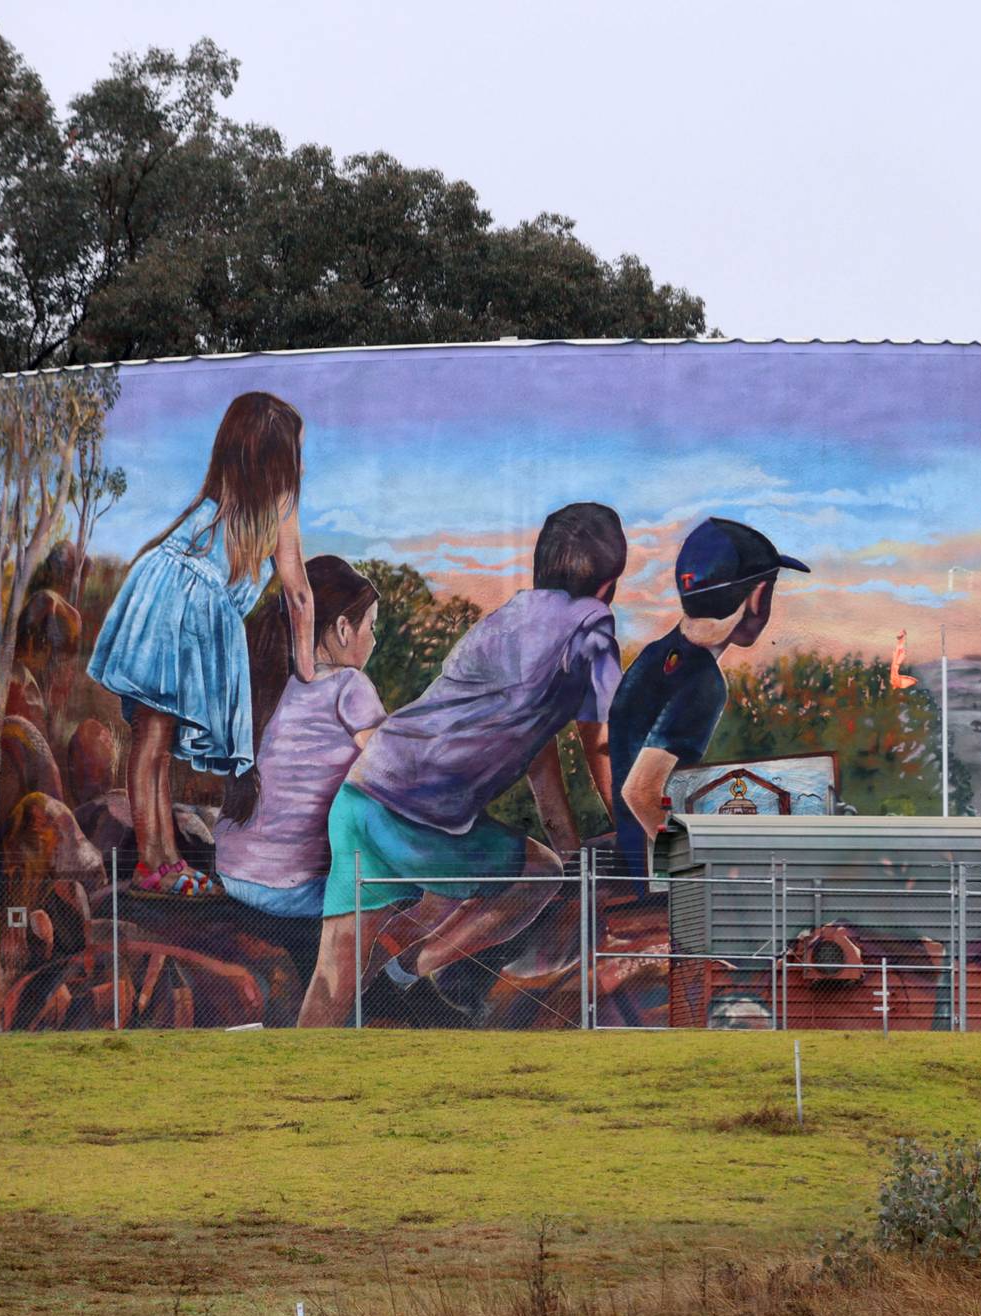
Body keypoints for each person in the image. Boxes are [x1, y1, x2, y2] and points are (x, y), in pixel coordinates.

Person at [296, 502, 626, 1026]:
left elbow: (538, 755)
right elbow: (604, 741)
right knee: (539, 874)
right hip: (419, 821)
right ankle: (414, 969)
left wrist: (564, 833)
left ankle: (290, 1081)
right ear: (608, 587)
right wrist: (629, 828)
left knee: (334, 979)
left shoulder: (504, 624)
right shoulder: (592, 630)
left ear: (539, 571)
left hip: (360, 798)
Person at [87, 392, 316, 898]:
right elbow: (299, 593)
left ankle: (164, 858)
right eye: (297, 452)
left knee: (155, 741)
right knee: (152, 742)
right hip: (182, 610)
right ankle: (153, 862)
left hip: (164, 598)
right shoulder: (275, 507)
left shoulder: (224, 503)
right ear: (277, 460)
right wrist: (308, 668)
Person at [609, 517, 808, 874]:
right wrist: (704, 869)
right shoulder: (704, 683)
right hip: (656, 878)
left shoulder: (655, 655)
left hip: (633, 855)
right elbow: (639, 793)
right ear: (758, 598)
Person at [214, 556, 385, 919]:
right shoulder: (349, 686)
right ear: (343, 629)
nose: (374, 637)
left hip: (231, 872)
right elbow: (394, 771)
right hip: (295, 890)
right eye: (371, 625)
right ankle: (401, 975)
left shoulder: (268, 684)